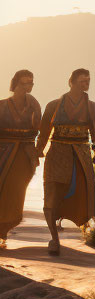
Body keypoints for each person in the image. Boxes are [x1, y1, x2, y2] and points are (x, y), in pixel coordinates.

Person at [37, 68, 95, 255]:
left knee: (83, 192)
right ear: (71, 82)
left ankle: (86, 228)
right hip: (57, 153)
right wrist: (38, 152)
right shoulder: (54, 105)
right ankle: (54, 239)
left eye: (88, 80)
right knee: (52, 193)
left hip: (81, 153)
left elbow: (94, 129)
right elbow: (44, 132)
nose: (86, 84)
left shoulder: (91, 106)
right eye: (82, 81)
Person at [0, 70, 42, 248]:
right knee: (3, 191)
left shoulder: (33, 104)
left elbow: (38, 128)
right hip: (4, 153)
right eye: (25, 83)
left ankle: (6, 227)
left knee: (17, 192)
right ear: (16, 83)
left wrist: (36, 109)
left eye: (31, 83)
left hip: (25, 153)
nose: (29, 86)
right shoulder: (2, 105)